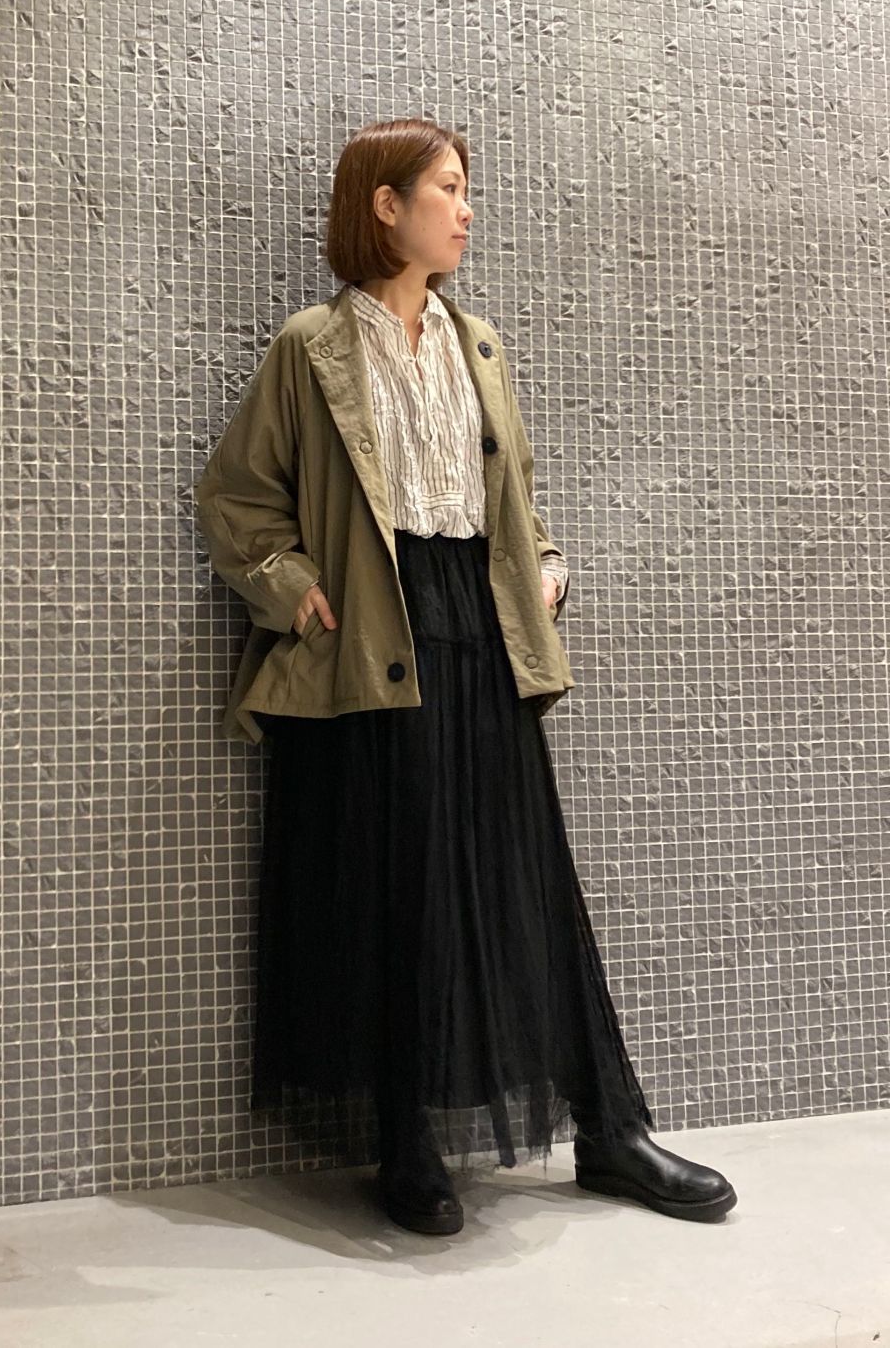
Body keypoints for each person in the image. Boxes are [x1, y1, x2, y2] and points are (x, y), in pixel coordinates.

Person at [194, 117, 737, 1237]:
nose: (466, 208)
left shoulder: (475, 343)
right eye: (447, 188)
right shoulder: (312, 348)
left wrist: (545, 566)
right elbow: (235, 497)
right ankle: (406, 1142)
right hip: (372, 628)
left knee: (523, 877)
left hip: (478, 624)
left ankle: (610, 1128)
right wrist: (292, 588)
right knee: (397, 888)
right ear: (385, 206)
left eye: (464, 188)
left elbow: (513, 494)